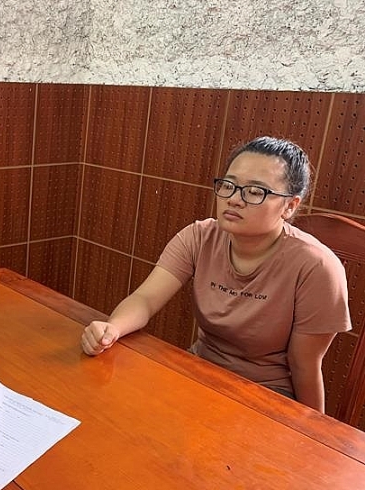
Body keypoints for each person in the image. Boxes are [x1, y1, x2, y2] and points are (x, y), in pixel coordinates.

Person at [81, 136, 351, 412]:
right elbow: (146, 299)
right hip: (199, 372)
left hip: (265, 396)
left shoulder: (316, 267)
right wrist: (112, 329)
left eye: (255, 192)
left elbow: (305, 365)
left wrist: (312, 431)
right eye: (229, 185)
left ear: (290, 206)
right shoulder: (199, 236)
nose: (234, 199)